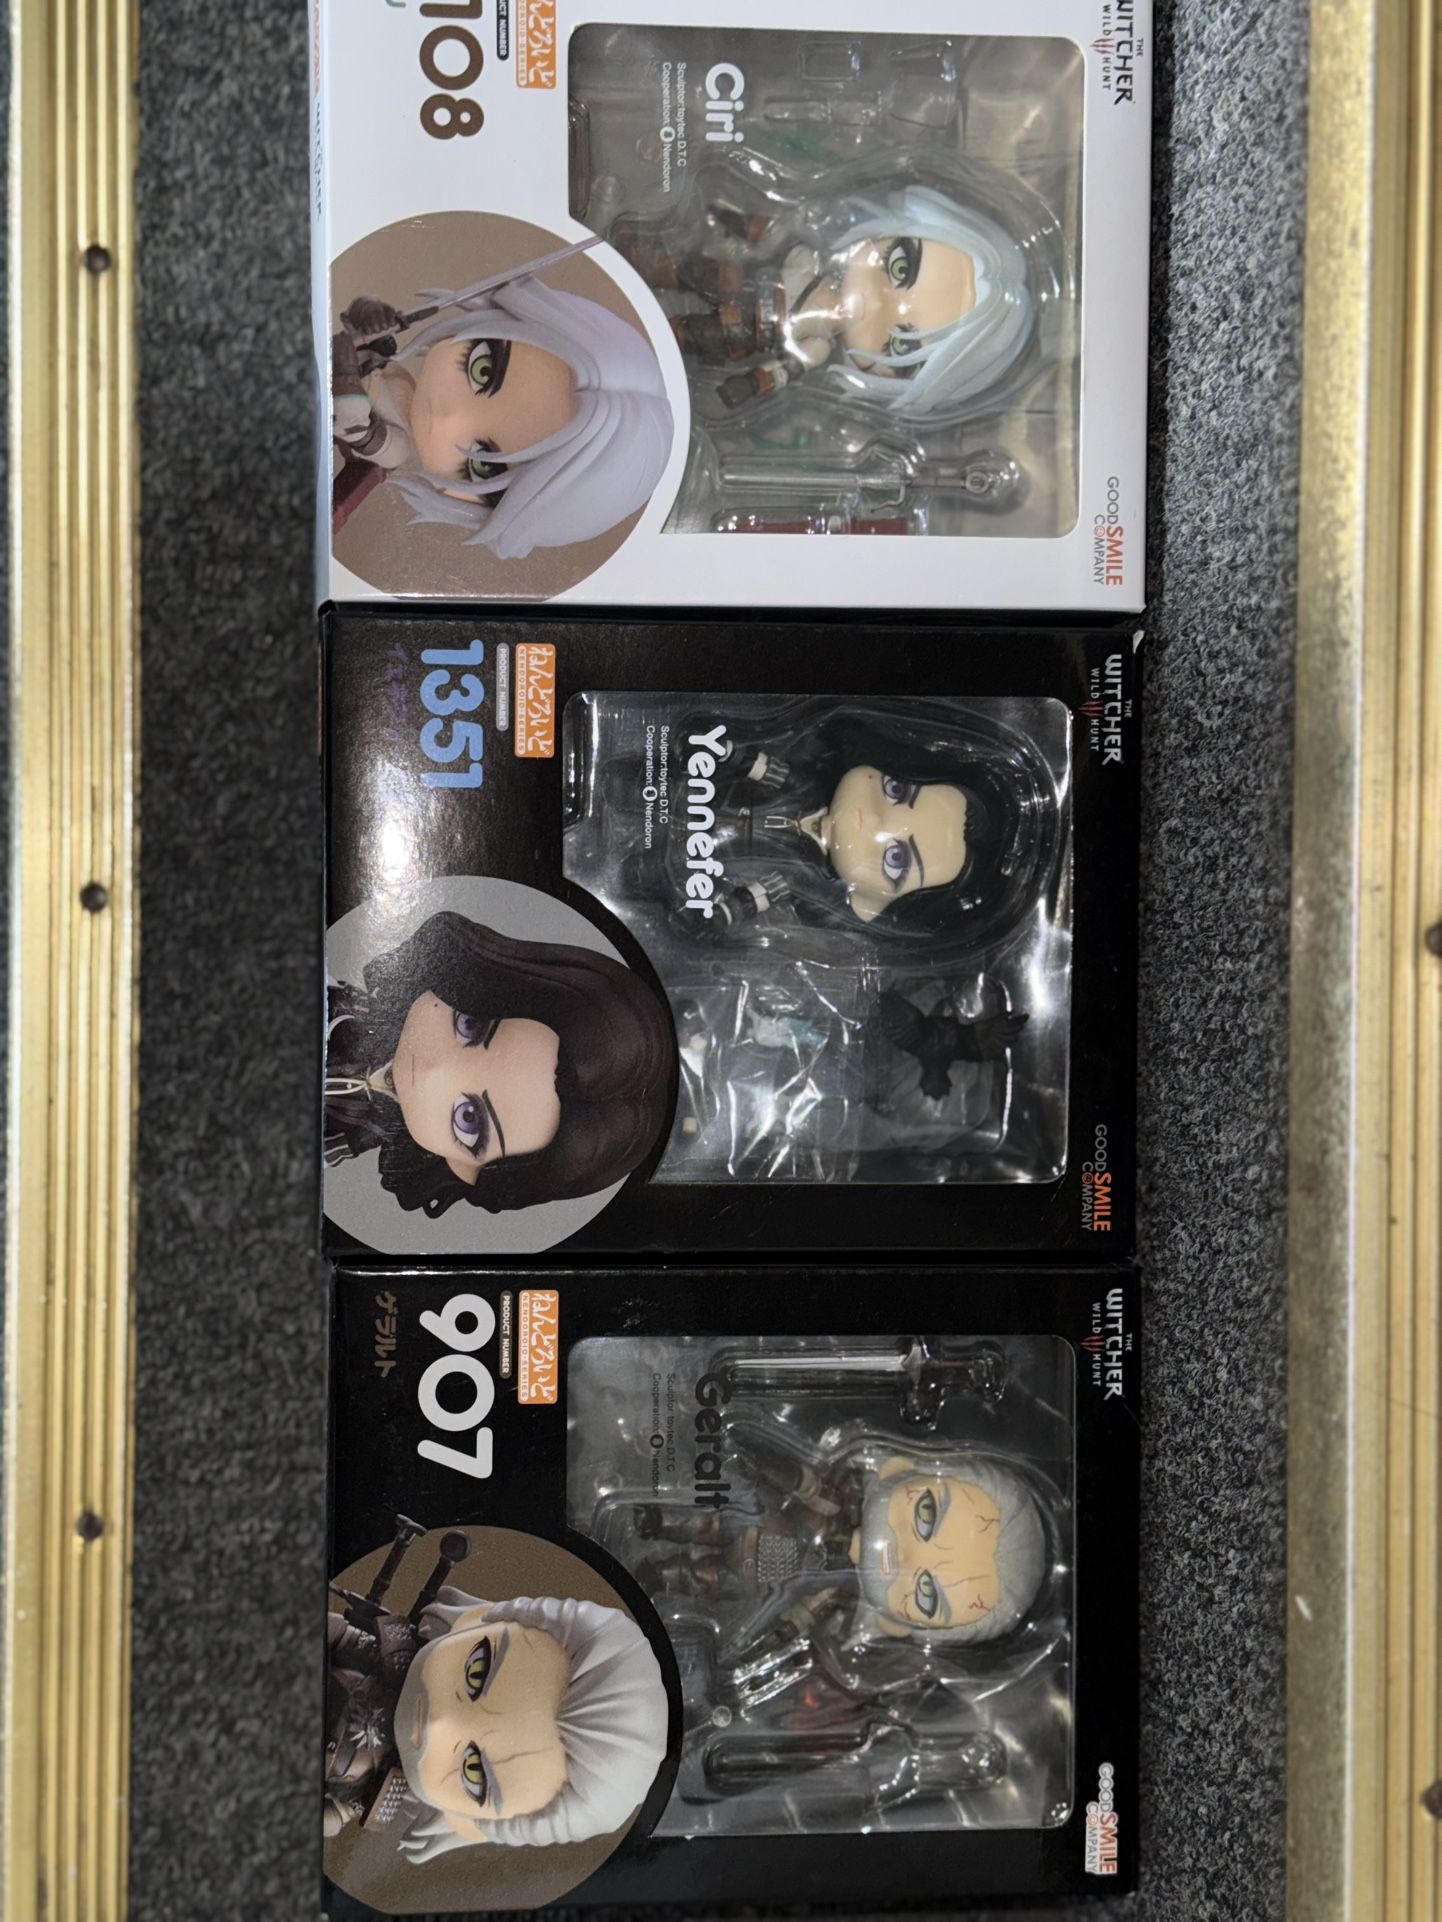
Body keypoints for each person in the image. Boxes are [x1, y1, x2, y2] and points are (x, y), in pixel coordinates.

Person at [332, 241, 674, 557]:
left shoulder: (394, 445)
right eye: (482, 369)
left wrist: (350, 394)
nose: (449, 418)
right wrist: (371, 318)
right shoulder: (395, 372)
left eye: (482, 466)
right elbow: (356, 323)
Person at [325, 911, 674, 1217]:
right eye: (470, 1026)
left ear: (465, 1169)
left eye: (468, 1118)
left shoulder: (346, 1139)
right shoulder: (340, 1000)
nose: (435, 1073)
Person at [610, 182, 1033, 421]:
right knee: (699, 273)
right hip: (740, 283)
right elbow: (777, 236)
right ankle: (633, 265)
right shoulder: (808, 260)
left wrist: (753, 384)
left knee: (685, 336)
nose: (874, 306)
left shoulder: (815, 347)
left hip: (742, 335)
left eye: (899, 345)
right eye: (899, 266)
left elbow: (786, 369)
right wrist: (735, 220)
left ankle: (632, 340)